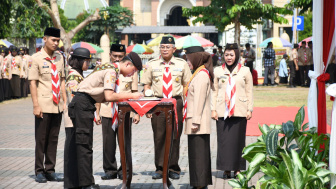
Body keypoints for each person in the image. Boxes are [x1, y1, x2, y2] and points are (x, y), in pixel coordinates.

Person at [67, 52, 143, 189]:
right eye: (134, 70)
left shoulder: (110, 67)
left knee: (79, 145)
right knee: (84, 146)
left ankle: (75, 183)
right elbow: (109, 96)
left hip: (82, 104)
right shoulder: (111, 71)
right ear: (127, 64)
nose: (133, 74)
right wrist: (132, 95)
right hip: (82, 104)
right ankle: (86, 184)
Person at [141, 36, 192, 180]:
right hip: (157, 102)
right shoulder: (152, 64)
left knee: (175, 135)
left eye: (167, 47)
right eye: (162, 47)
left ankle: (173, 168)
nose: (164, 49)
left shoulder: (182, 64)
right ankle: (159, 168)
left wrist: (187, 106)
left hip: (176, 102)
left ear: (174, 49)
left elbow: (186, 85)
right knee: (159, 136)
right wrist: (148, 106)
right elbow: (146, 85)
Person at [95, 44, 140, 180]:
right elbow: (98, 93)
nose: (117, 58)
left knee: (125, 142)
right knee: (108, 142)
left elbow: (134, 92)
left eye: (120, 56)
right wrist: (96, 112)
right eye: (115, 56)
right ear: (110, 55)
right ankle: (110, 170)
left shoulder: (131, 70)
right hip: (107, 110)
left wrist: (136, 112)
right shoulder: (103, 69)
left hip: (124, 111)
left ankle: (124, 169)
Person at [28, 27, 66, 183]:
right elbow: (32, 82)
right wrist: (36, 105)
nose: (56, 43)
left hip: (57, 104)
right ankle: (39, 171)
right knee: (41, 138)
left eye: (58, 40)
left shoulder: (60, 58)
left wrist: (65, 102)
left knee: (54, 138)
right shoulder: (36, 58)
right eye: (53, 40)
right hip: (43, 104)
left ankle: (50, 170)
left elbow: (62, 80)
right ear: (45, 39)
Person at [211, 43, 253, 179]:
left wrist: (249, 109)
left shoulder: (245, 71)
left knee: (238, 141)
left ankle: (238, 169)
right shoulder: (217, 71)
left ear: (237, 55)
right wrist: (213, 110)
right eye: (226, 55)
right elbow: (214, 92)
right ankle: (226, 169)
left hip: (239, 110)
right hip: (222, 110)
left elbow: (249, 91)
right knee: (223, 141)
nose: (229, 57)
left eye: (231, 55)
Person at [184, 46, 214, 189]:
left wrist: (195, 121)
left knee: (199, 156)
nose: (187, 62)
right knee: (196, 154)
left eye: (188, 59)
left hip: (198, 122)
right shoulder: (197, 73)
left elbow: (200, 100)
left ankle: (200, 185)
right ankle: (199, 183)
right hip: (196, 121)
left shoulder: (201, 75)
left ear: (196, 58)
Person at [63, 47, 92, 189]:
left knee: (75, 152)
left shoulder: (78, 74)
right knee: (73, 152)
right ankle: (71, 184)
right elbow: (74, 98)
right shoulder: (74, 76)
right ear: (79, 61)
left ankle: (75, 183)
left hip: (77, 118)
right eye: (87, 61)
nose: (88, 64)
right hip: (74, 119)